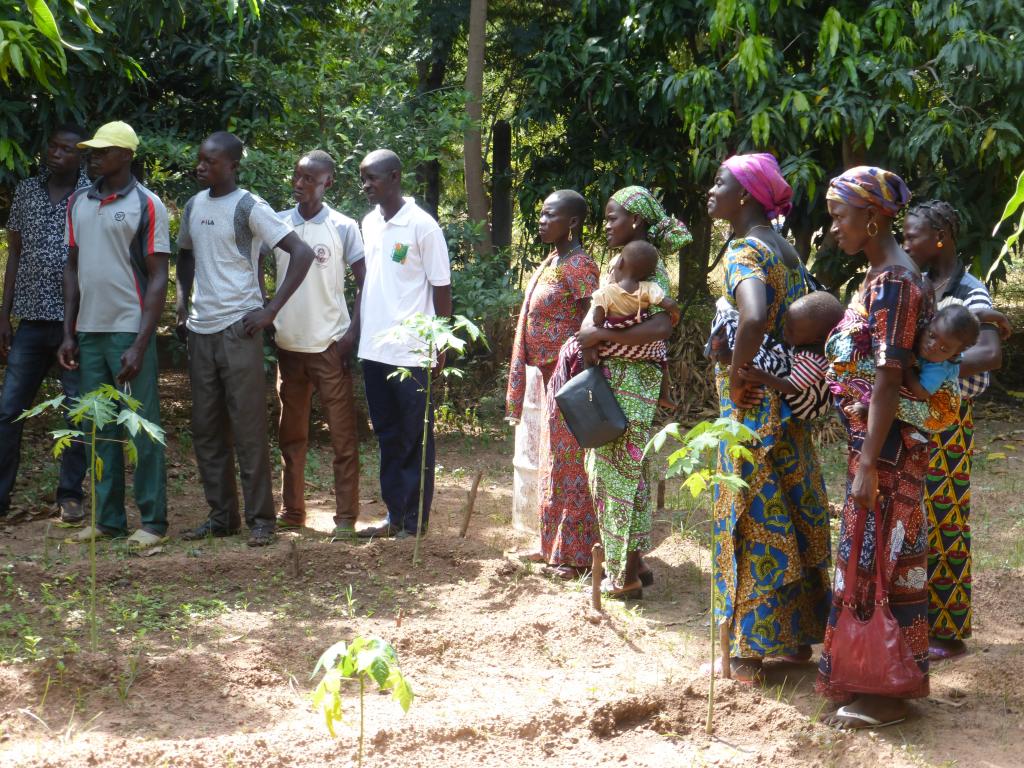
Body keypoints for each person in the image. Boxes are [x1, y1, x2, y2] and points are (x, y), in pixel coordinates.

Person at [706, 153, 831, 682]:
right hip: (788, 401)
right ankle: (796, 638)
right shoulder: (787, 250)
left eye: (720, 183)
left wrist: (739, 374)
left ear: (746, 196)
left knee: (751, 514)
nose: (711, 191)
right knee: (794, 510)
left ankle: (747, 652)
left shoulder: (744, 251)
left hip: (753, 406)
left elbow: (754, 315)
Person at [816, 166, 930, 729]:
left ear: (873, 217)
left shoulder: (895, 284)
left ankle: (885, 691)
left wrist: (866, 464)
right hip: (874, 444)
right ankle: (868, 673)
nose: (834, 227)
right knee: (873, 554)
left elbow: (888, 376)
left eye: (840, 216)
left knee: (880, 556)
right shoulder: (881, 277)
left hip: (885, 450)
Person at [176, 132, 315, 547]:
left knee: (248, 427)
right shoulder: (193, 205)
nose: (201, 167)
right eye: (200, 159)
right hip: (201, 330)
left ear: (233, 166)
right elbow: (185, 254)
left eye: (211, 161)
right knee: (206, 429)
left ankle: (261, 520)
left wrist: (270, 310)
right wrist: (182, 305)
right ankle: (222, 517)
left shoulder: (249, 206)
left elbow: (301, 253)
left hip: (239, 329)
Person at [903, 200, 1007, 663]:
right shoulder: (918, 284)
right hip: (913, 411)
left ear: (941, 238)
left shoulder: (969, 290)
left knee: (945, 519)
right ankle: (912, 617)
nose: (907, 243)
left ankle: (947, 629)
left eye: (914, 235)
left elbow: (989, 355)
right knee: (910, 515)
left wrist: (935, 368)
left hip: (948, 419)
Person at [573, 185, 691, 597]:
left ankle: (622, 576)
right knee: (627, 471)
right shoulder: (619, 262)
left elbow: (662, 326)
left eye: (613, 218)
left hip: (632, 381)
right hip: (614, 378)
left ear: (636, 220)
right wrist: (592, 335)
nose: (606, 225)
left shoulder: (649, 268)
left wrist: (601, 336)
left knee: (616, 475)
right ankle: (635, 562)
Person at [57, 121, 170, 547]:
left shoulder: (148, 204)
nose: (94, 157)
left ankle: (153, 523)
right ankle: (107, 520)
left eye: (104, 151)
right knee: (98, 427)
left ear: (126, 155)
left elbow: (158, 277)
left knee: (141, 427)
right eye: (92, 151)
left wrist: (141, 343)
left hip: (128, 331)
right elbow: (72, 268)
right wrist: (69, 332)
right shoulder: (78, 202)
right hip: (88, 332)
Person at [355, 149, 451, 540]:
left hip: (411, 351)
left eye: (372, 178)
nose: (366, 186)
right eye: (363, 178)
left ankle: (414, 523)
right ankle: (394, 516)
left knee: (415, 438)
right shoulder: (369, 223)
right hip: (373, 349)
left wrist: (440, 342)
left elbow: (441, 288)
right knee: (387, 436)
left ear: (394, 177)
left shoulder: (422, 226)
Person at [271, 150, 366, 539]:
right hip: (288, 347)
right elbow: (255, 268)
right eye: (297, 176)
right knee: (290, 436)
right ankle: (292, 511)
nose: (299, 184)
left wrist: (352, 334)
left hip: (330, 347)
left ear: (328, 182)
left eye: (309, 179)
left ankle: (345, 518)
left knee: (342, 437)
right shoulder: (277, 224)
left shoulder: (343, 227)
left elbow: (365, 282)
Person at [506, 190, 600, 576]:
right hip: (549, 380)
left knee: (571, 466)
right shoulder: (553, 261)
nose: (542, 221)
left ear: (572, 222)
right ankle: (551, 546)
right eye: (541, 215)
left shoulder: (579, 265)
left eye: (550, 215)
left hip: (571, 381)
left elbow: (594, 319)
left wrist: (583, 372)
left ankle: (576, 557)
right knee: (553, 463)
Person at [0, 124, 90, 524]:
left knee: (75, 412)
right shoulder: (26, 191)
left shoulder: (91, 195)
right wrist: (4, 314)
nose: (56, 154)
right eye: (53, 147)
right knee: (8, 411)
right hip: (32, 321)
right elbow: (14, 254)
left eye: (67, 149)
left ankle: (70, 495)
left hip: (77, 323)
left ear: (81, 156)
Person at [727, 290, 845, 421]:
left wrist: (761, 376)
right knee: (766, 346)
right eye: (786, 324)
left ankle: (727, 354)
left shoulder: (814, 361)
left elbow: (791, 387)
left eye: (791, 330)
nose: (785, 331)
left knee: (760, 364)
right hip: (802, 383)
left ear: (816, 339)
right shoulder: (815, 343)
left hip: (807, 404)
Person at [590, 240, 681, 409]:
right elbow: (670, 304)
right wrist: (675, 316)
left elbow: (597, 319)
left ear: (620, 263)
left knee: (586, 349)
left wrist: (600, 323)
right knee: (662, 358)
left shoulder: (605, 292)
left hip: (612, 347)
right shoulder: (649, 288)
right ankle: (664, 396)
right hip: (646, 348)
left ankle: (588, 382)